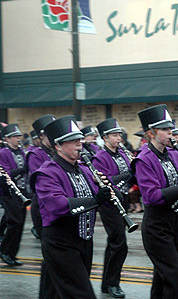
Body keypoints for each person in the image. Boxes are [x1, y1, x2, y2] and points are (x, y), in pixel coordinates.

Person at [32, 116, 116, 298]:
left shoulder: (85, 170)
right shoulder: (46, 173)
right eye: (72, 141)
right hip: (60, 243)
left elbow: (105, 199)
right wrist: (95, 200)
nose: (79, 145)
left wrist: (108, 189)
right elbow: (58, 206)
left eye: (79, 140)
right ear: (57, 146)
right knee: (81, 294)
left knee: (53, 293)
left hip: (84, 242)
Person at [131, 104, 178, 299]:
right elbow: (152, 196)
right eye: (164, 129)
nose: (171, 132)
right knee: (175, 280)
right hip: (157, 226)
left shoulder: (174, 154)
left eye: (170, 128)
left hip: (175, 221)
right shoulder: (143, 159)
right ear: (150, 133)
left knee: (163, 279)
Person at [92, 118, 133, 298]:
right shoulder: (100, 157)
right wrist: (126, 175)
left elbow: (130, 174)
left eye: (119, 135)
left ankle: (106, 283)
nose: (119, 139)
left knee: (115, 243)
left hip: (122, 201)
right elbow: (106, 181)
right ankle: (112, 283)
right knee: (119, 243)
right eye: (115, 136)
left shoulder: (122, 153)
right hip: (110, 204)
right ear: (105, 138)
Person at [0, 124, 28, 266]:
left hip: (21, 191)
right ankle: (5, 251)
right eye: (15, 137)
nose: (18, 139)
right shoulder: (3, 153)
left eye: (19, 136)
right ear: (7, 139)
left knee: (20, 223)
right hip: (9, 192)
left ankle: (12, 253)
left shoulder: (21, 151)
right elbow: (6, 174)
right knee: (15, 223)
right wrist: (23, 169)